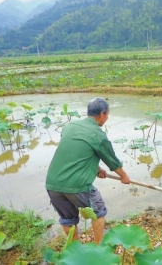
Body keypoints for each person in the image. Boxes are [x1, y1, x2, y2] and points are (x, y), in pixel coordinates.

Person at [46, 97, 130, 244]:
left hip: (52, 183)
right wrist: (124, 177)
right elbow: (112, 160)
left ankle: (75, 250)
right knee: (98, 212)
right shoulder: (98, 135)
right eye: (107, 115)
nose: (107, 119)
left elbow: (76, 152)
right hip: (77, 185)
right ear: (103, 114)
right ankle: (99, 247)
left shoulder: (69, 127)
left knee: (68, 219)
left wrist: (96, 169)